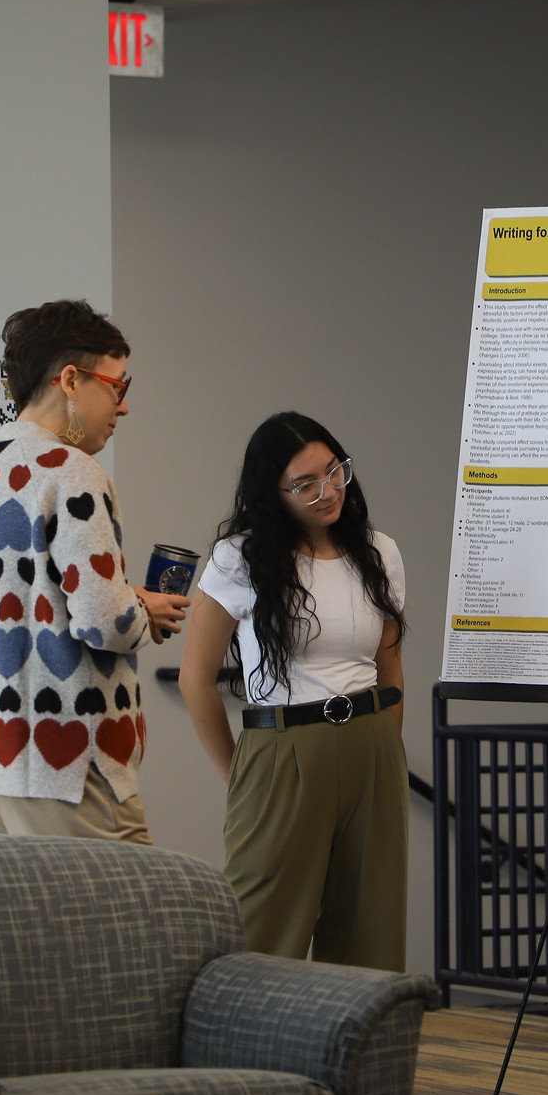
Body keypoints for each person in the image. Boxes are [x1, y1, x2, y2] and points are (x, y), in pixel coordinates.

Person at [0, 299, 187, 844]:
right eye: (117, 386)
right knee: (128, 923)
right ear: (70, 380)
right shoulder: (72, 472)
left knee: (36, 927)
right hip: (74, 767)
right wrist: (142, 610)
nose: (123, 406)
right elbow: (103, 622)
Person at [178, 413, 408, 971]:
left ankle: (356, 1056)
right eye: (305, 484)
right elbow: (195, 677)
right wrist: (237, 776)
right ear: (271, 493)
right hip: (281, 749)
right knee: (263, 935)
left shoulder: (379, 551)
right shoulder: (240, 557)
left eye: (334, 472)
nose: (328, 491)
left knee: (369, 934)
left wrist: (385, 749)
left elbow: (389, 662)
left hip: (371, 748)